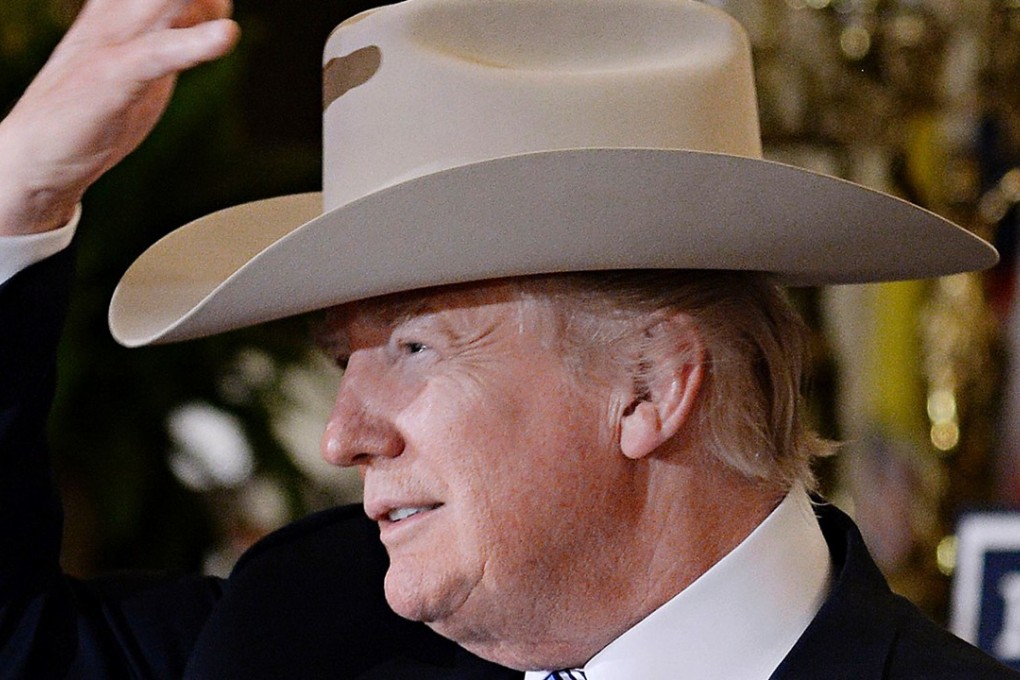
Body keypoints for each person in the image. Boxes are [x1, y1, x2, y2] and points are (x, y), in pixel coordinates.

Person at [0, 0, 1016, 678]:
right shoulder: (307, 624)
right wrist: (17, 192)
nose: (343, 433)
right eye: (340, 357)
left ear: (654, 385)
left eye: (411, 348)